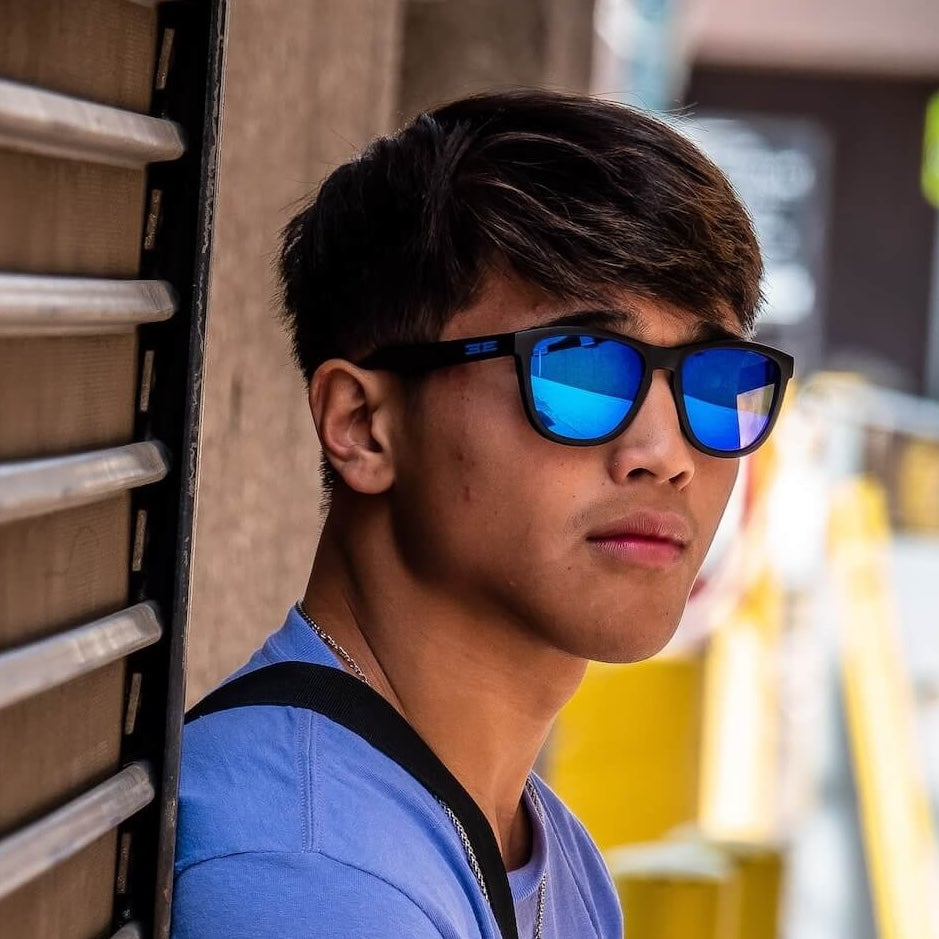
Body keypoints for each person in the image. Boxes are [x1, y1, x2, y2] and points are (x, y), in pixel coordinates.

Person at [171, 89, 790, 938]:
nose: (666, 452)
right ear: (363, 425)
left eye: (714, 382)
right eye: (579, 370)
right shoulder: (308, 874)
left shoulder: (548, 853)